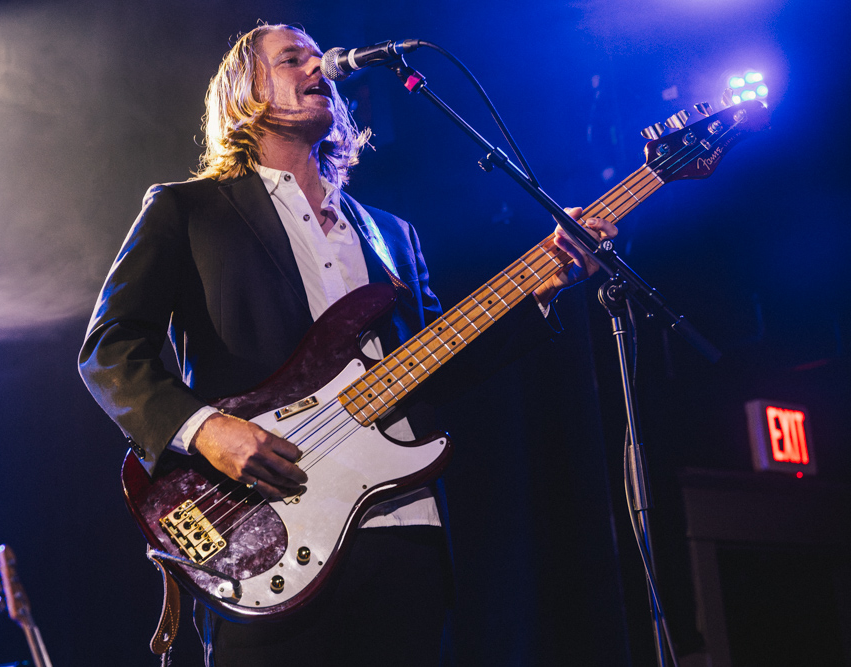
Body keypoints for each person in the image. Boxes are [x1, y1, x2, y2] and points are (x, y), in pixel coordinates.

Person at [79, 23, 616, 667]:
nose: (318, 68)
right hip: (261, 523)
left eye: (318, 58)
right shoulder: (188, 210)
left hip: (401, 534)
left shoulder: (391, 233)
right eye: (292, 59)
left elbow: (433, 369)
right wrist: (207, 431)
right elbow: (109, 349)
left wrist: (543, 287)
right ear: (245, 91)